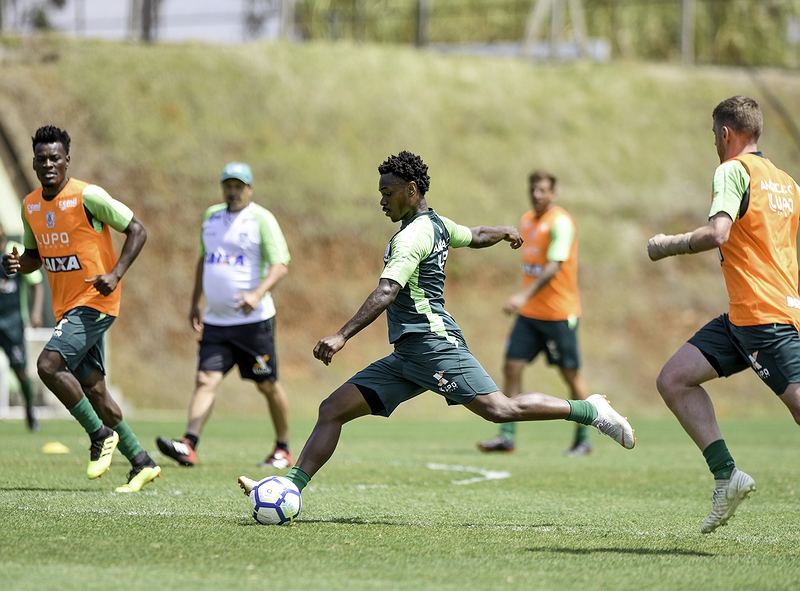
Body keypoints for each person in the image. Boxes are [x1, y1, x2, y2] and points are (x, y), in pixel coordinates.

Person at [238, 151, 635, 504]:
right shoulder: (437, 225)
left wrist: (341, 335)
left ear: (412, 190)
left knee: (500, 409)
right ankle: (289, 486)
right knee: (332, 409)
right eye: (381, 192)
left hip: (434, 346)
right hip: (408, 355)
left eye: (388, 192)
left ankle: (591, 411)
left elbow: (386, 291)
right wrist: (503, 232)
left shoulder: (413, 236)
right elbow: (474, 235)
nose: (382, 201)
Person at [647, 95, 800, 533]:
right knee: (673, 378)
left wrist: (667, 245)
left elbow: (718, 232)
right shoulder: (788, 183)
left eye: (715, 135)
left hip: (763, 318)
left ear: (727, 134)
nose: (714, 142)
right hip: (746, 316)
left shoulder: (731, 170)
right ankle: (727, 476)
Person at [1, 125, 160, 493]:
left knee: (47, 365)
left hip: (95, 302)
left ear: (67, 160)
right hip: (67, 308)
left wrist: (116, 273)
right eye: (41, 159)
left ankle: (99, 435)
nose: (48, 164)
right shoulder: (30, 206)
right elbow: (34, 257)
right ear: (34, 162)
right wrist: (17, 264)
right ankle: (141, 461)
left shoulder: (88, 196)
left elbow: (137, 229)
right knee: (95, 391)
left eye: (55, 157)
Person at [156, 162, 293, 469]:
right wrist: (195, 302)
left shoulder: (261, 219)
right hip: (216, 321)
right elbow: (204, 260)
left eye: (239, 185)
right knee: (205, 379)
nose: (233, 191)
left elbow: (280, 265)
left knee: (267, 385)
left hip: (253, 323)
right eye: (228, 185)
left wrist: (257, 294)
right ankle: (188, 445)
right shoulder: (211, 217)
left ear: (250, 189)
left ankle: (283, 448)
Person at [477, 171, 592, 456]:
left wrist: (522, 295)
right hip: (530, 316)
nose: (537, 194)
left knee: (570, 375)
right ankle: (507, 435)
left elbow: (553, 267)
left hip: (558, 314)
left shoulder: (561, 223)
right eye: (534, 189)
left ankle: (584, 437)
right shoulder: (527, 221)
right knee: (511, 366)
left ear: (553, 193)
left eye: (543, 190)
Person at [0, 220, 44, 431]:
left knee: (20, 371)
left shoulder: (13, 253)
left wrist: (35, 312)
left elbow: (36, 283)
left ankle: (30, 410)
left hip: (12, 323)